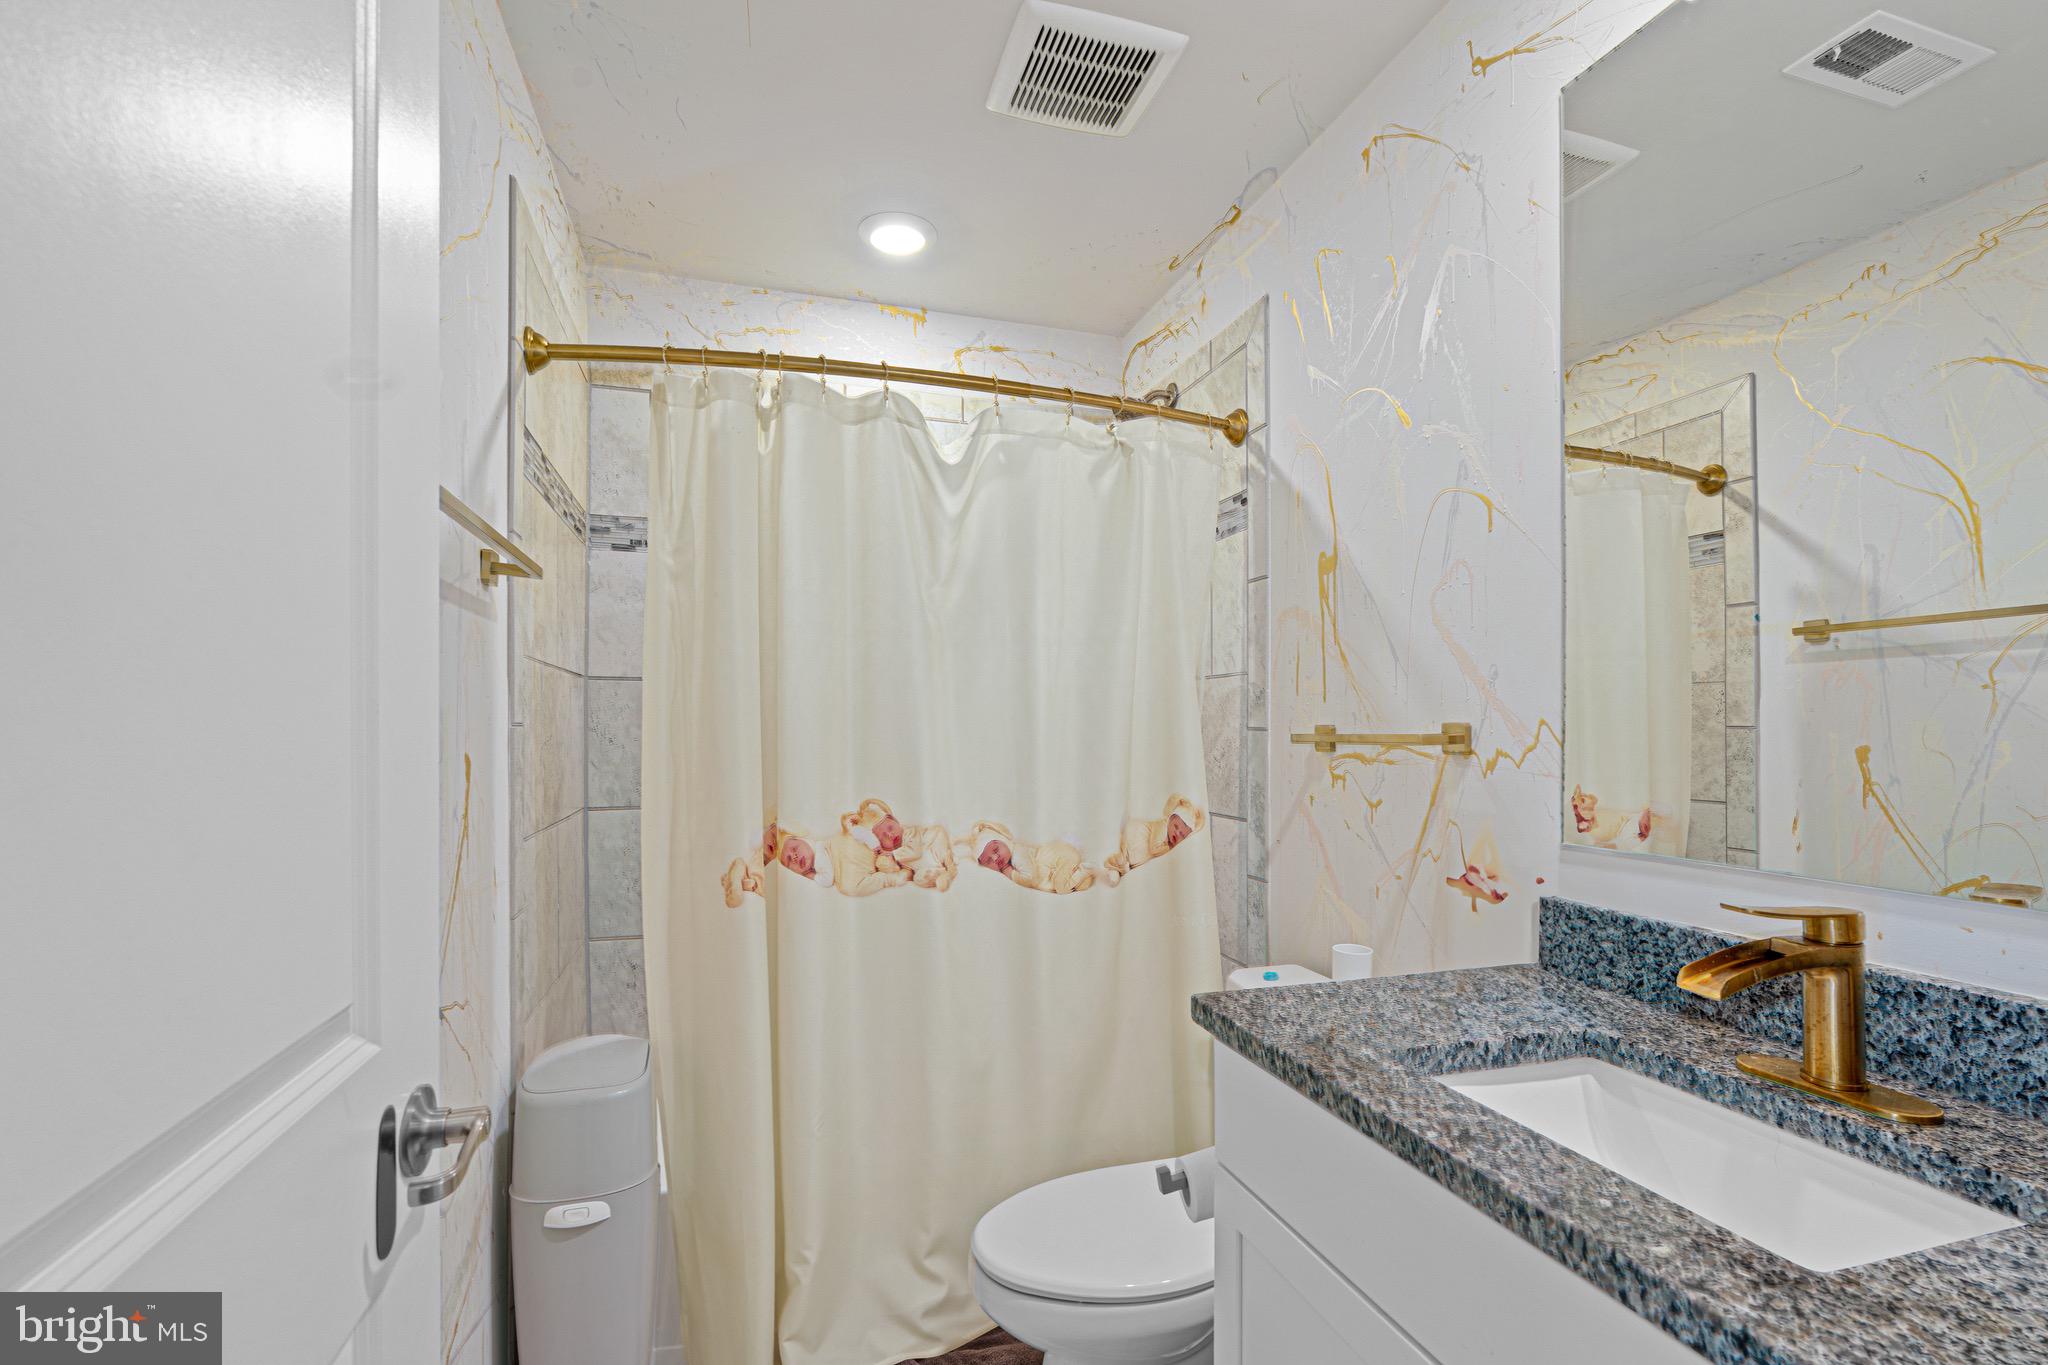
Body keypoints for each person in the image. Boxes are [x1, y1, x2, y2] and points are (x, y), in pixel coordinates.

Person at [965, 820, 1096, 894]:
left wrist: (1010, 873)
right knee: (1082, 885)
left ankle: (1085, 869)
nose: (995, 858)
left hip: (1061, 858)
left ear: (1004, 841)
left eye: (995, 849)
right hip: (1062, 859)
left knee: (1061, 888)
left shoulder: (1018, 854)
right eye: (988, 861)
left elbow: (1030, 878)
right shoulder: (1014, 855)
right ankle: (1082, 874)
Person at [1103, 795, 1204, 884]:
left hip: (1142, 845)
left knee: (1131, 861)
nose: (1177, 833)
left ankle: (1121, 867)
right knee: (1126, 854)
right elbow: (1154, 849)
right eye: (1176, 826)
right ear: (1170, 819)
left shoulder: (1168, 837)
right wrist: (1169, 847)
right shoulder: (1162, 827)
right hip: (1137, 834)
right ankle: (1114, 867)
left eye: (1182, 834)